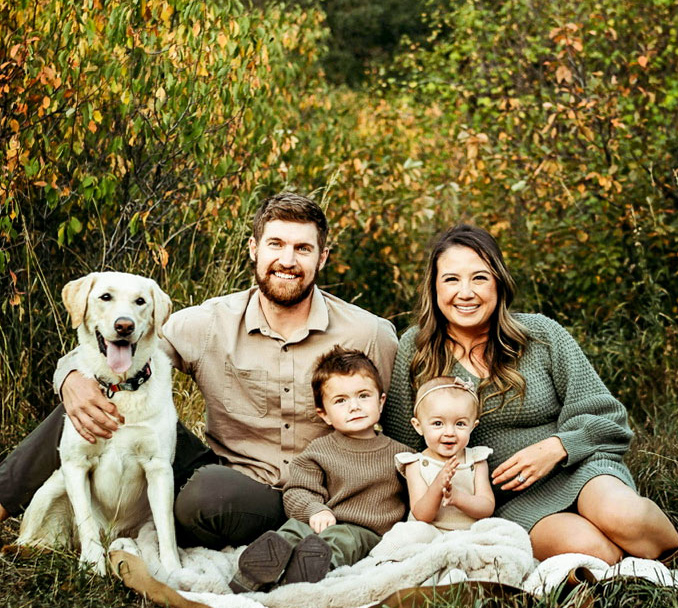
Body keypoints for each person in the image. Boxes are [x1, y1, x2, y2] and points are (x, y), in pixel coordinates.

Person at [0, 193, 398, 549]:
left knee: (202, 499)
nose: (288, 260)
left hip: (321, 492)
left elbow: (396, 431)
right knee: (92, 403)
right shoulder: (209, 323)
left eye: (303, 249)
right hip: (236, 483)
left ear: (322, 257)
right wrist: (70, 379)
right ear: (254, 249)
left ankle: (287, 538)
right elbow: (129, 353)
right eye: (275, 244)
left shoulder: (368, 333)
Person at [382, 223, 678, 570]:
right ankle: (641, 560)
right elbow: (400, 446)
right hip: (504, 503)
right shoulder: (417, 348)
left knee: (626, 517)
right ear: (434, 287)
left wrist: (558, 447)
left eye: (480, 278)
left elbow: (609, 418)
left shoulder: (541, 335)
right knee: (593, 551)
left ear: (499, 282)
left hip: (578, 469)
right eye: (451, 279)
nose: (465, 292)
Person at [229, 346, 409, 593]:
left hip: (366, 532)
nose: (354, 406)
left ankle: (306, 575)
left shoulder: (401, 455)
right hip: (324, 521)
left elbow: (420, 497)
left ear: (381, 402)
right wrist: (315, 509)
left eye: (363, 396)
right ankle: (251, 576)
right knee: (293, 530)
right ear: (324, 414)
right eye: (341, 400)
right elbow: (297, 491)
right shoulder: (319, 451)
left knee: (340, 540)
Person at [395, 375, 495, 531]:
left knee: (505, 533)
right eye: (438, 423)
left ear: (472, 426)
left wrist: (458, 498)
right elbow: (422, 515)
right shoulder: (415, 465)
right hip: (430, 532)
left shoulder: (476, 461)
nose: (449, 432)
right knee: (409, 535)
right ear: (418, 426)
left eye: (460, 424)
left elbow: (487, 509)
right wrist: (437, 486)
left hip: (469, 533)